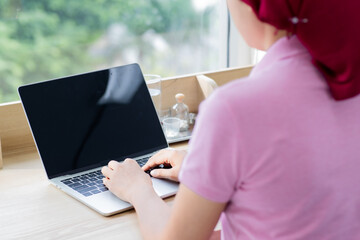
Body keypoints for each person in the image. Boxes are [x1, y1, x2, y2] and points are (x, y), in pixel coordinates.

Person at [102, 0, 360, 239]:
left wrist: (138, 190)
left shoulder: (235, 109)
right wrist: (205, 170)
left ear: (257, 6)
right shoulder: (347, 74)